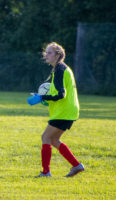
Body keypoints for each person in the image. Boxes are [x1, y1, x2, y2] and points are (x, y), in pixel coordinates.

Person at [27, 42, 84, 177]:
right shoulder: (61, 69)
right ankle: (77, 166)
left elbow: (60, 94)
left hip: (63, 111)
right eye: (46, 52)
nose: (46, 55)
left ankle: (46, 172)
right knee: (53, 140)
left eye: (50, 52)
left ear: (58, 55)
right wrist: (44, 98)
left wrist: (42, 98)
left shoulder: (59, 69)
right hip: (68, 111)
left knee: (45, 137)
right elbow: (58, 92)